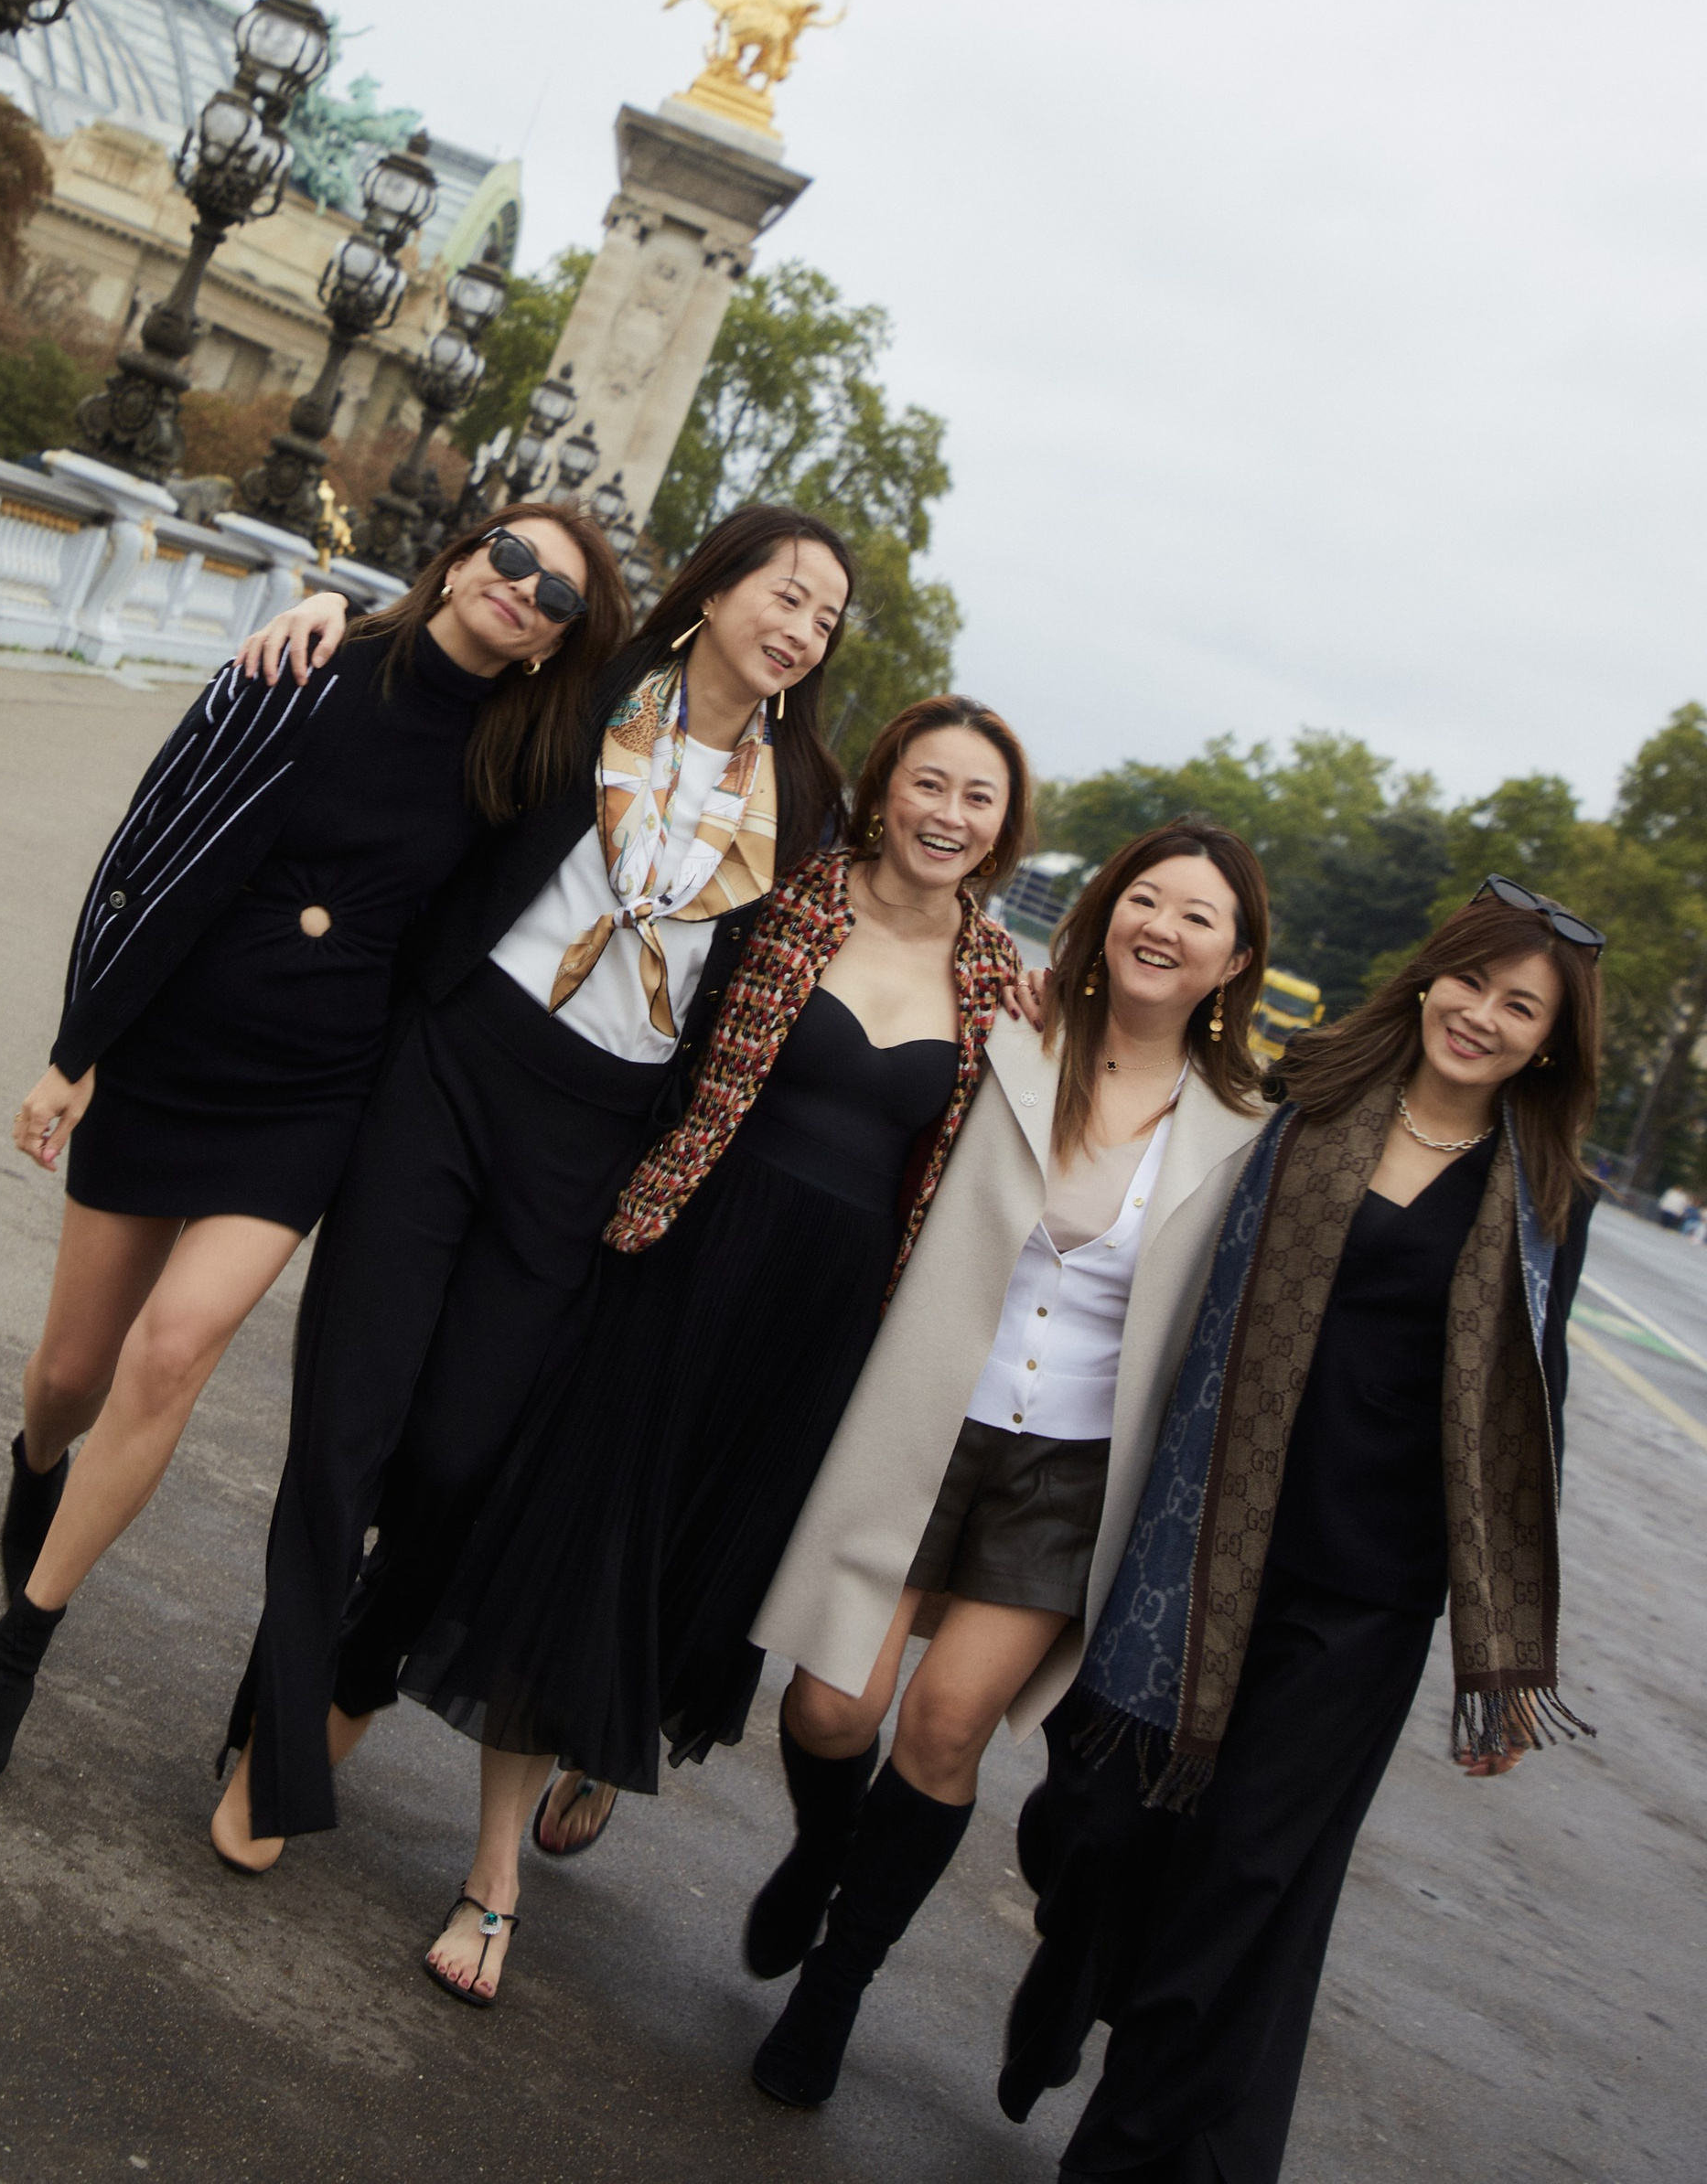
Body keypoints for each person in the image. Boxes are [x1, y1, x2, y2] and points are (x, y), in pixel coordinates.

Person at [0, 503, 627, 1794]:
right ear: (463, 559)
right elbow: (151, 845)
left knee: (173, 1350)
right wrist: (77, 1047)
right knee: (71, 1372)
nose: (521, 590)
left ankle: (16, 1648)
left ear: (557, 644)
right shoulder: (308, 667)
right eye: (510, 558)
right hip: (172, 1053)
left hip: (315, 1096)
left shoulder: (520, 769)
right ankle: (36, 1474)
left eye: (558, 598)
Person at [209, 504, 857, 1867]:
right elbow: (449, 651)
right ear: (722, 582)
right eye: (787, 592)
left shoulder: (807, 804)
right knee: (348, 1425)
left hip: (599, 1131)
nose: (802, 627)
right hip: (453, 1065)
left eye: (827, 619)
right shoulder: (595, 683)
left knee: (455, 1458)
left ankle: (349, 1673)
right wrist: (335, 616)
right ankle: (273, 1747)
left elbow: (887, 936)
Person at [400, 694, 1034, 2005]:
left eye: (978, 798)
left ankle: (603, 1737)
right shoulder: (784, 896)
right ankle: (493, 1876)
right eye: (929, 784)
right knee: (582, 1531)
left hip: (831, 1323)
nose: (947, 815)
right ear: (884, 786)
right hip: (688, 1254)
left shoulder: (999, 986)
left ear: (1004, 830)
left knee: (703, 1568)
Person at [998, 875, 1601, 2182]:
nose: (1481, 1018)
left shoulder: (1550, 1194)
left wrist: (1501, 1643)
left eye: (1519, 1008)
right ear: (1429, 977)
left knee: (1247, 1883)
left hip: (1367, 1598)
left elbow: (1528, 1415)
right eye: (1471, 984)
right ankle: (1068, 1979)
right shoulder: (1310, 1096)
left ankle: (1128, 2150)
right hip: (1201, 1537)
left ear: (1549, 1040)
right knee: (1099, 1827)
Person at [740, 819, 1274, 2108]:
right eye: (1145, 898)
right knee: (830, 1710)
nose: (1163, 926)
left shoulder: (1249, 1128)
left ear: (1233, 960)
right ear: (1105, 914)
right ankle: (825, 1848)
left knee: (942, 1727)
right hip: (929, 1426)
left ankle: (835, 1989)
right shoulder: (1009, 1039)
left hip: (1071, 1474)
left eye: (1197, 917)